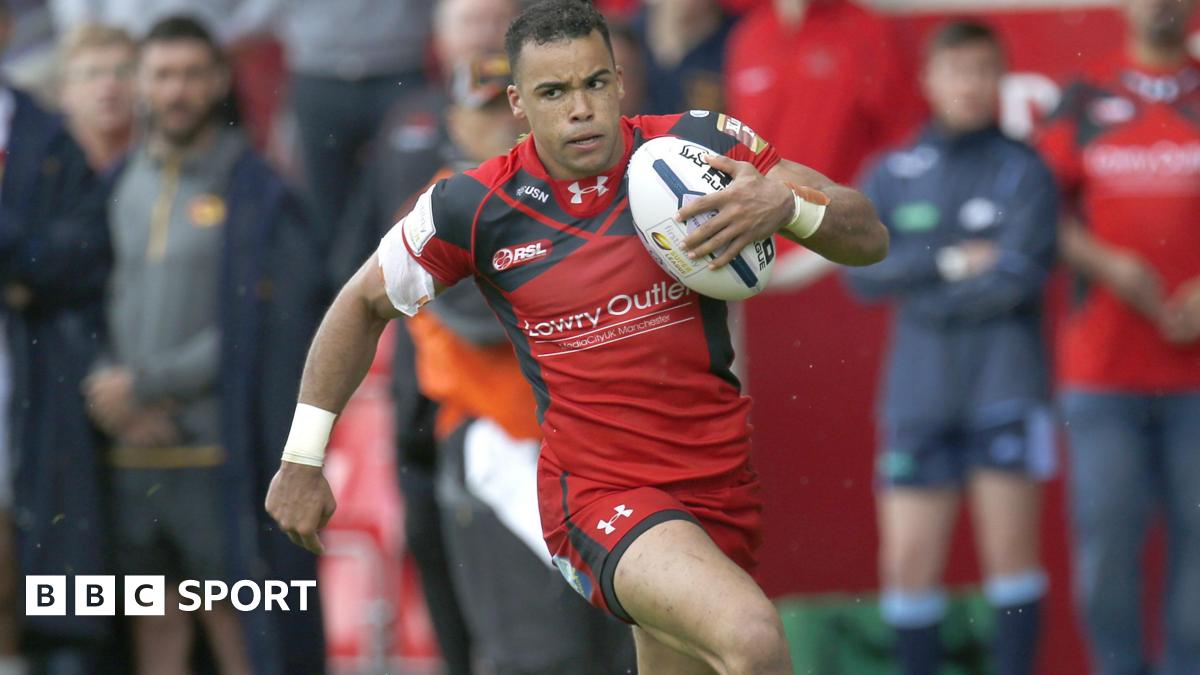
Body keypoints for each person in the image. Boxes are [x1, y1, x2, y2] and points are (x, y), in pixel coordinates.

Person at [266, 2, 887, 673]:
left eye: (594, 83)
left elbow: (870, 237)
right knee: (753, 635)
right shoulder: (473, 206)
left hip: (719, 482)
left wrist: (787, 206)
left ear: (621, 80)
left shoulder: (697, 149)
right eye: (554, 92)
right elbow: (359, 302)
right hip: (598, 495)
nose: (580, 109)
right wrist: (303, 456)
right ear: (518, 102)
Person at [85, 16, 324, 675]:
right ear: (140, 85)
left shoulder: (258, 194)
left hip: (221, 456)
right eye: (163, 75)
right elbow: (85, 306)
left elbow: (262, 329)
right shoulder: (110, 188)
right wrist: (110, 390)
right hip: (129, 455)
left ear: (219, 81)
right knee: (154, 627)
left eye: (192, 74)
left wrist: (147, 384)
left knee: (240, 629)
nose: (178, 90)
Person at [846, 22, 1057, 675]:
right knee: (908, 559)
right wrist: (953, 263)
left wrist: (922, 276)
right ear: (929, 80)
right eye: (955, 70)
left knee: (1011, 555)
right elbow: (860, 273)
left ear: (1001, 78)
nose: (968, 85)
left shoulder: (1026, 170)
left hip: (1006, 385)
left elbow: (1019, 278)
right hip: (918, 393)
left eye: (981, 70)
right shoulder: (892, 170)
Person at [1036, 1, 1200, 673]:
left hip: (1196, 384)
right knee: (1105, 549)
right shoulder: (1083, 96)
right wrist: (1108, 262)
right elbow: (1038, 212)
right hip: (1102, 374)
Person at [0, 1, 111, 671]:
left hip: (32, 368)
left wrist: (15, 260)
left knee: (22, 518)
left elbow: (82, 253)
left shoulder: (48, 137)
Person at [57, 22, 137, 172]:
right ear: (64, 92)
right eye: (92, 74)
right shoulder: (44, 173)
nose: (109, 84)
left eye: (122, 72)